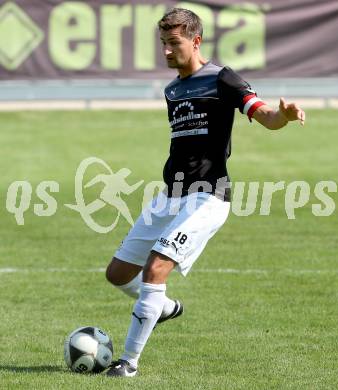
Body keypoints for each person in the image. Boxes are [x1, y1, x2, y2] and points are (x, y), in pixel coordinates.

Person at [105, 8, 305, 377]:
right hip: (170, 195)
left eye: (174, 43)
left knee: (156, 267)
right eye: (163, 43)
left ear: (196, 41)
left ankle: (128, 363)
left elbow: (263, 115)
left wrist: (284, 117)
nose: (166, 51)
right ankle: (162, 308)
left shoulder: (223, 78)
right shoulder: (172, 90)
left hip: (207, 197)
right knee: (117, 273)